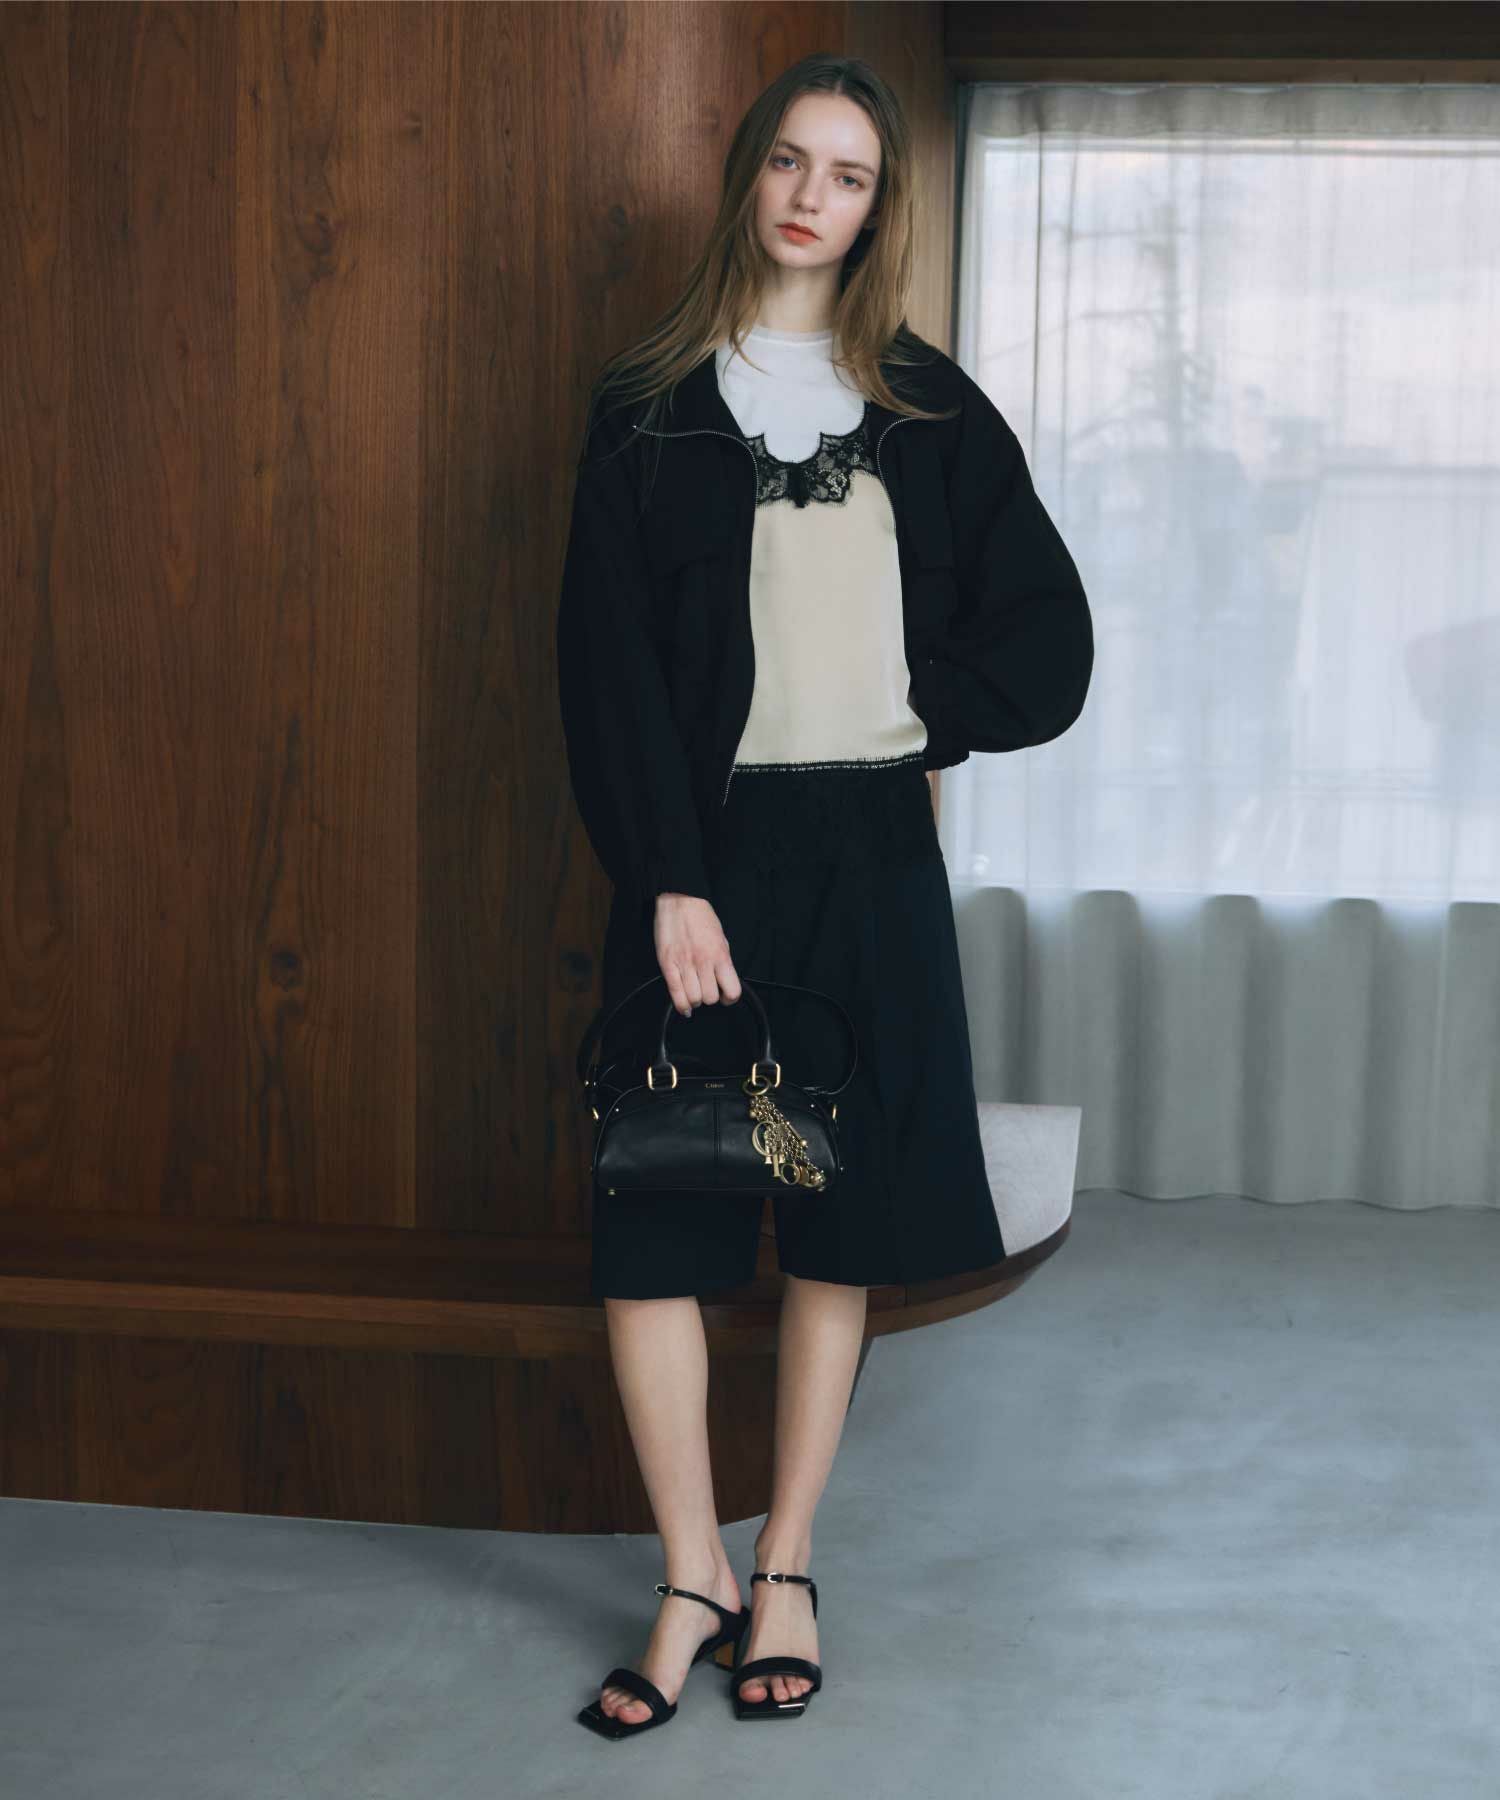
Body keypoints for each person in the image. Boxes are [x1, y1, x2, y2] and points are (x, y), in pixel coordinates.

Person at [559, 54, 1092, 1738]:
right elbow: (606, 671)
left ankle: (784, 1561)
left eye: (848, 175)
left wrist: (919, 713)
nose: (812, 197)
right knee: (658, 1218)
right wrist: (666, 878)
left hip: (869, 854)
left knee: (837, 1215)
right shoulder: (648, 404)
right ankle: (690, 1577)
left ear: (879, 207)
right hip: (697, 857)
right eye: (791, 161)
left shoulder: (929, 409)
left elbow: (1049, 636)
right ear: (750, 175)